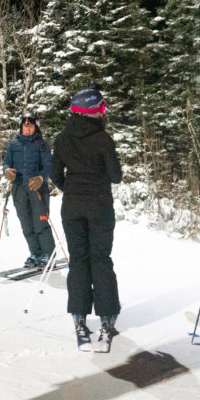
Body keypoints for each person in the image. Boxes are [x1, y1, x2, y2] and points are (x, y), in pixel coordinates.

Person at [50, 88, 123, 345]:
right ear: (93, 111)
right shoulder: (103, 139)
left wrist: (70, 189)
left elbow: (55, 173)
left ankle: (79, 316)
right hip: (99, 206)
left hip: (72, 207)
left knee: (79, 260)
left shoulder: (62, 138)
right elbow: (116, 176)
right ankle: (107, 315)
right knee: (100, 259)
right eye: (102, 108)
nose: (104, 112)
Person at [2, 113, 55, 267]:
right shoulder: (13, 144)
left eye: (31, 125)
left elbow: (48, 166)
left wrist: (41, 178)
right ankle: (35, 253)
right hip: (19, 188)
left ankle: (48, 253)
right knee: (26, 223)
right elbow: (6, 163)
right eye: (25, 125)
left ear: (35, 127)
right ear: (21, 127)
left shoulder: (42, 145)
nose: (28, 128)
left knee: (40, 222)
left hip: (37, 188)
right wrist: (7, 171)